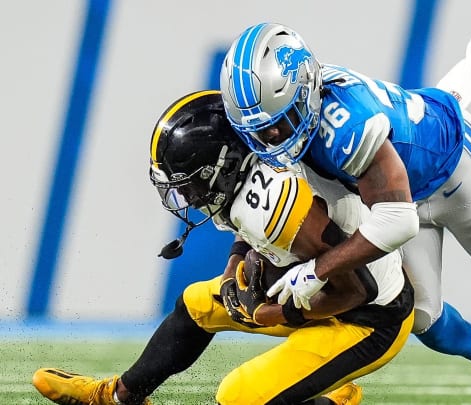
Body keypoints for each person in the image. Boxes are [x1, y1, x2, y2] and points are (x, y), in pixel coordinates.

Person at [220, 23, 471, 404]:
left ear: (304, 90)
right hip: (394, 196)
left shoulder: (345, 126)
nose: (272, 139)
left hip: (449, 166)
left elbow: (398, 220)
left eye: (278, 124)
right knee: (423, 317)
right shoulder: (295, 118)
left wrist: (316, 271)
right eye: (260, 131)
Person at [32, 90, 415, 405]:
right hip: (321, 292)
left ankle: (333, 401)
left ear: (220, 166)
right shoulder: (245, 174)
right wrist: (233, 269)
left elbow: (357, 289)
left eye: (186, 184)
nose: (183, 195)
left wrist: (275, 313)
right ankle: (118, 398)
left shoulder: (277, 202)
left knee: (239, 397)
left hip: (369, 319)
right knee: (198, 304)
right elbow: (246, 225)